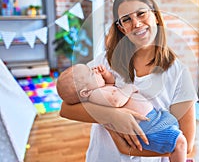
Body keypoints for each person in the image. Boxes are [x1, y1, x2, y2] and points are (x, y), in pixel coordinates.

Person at [59, 0, 198, 162]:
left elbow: (187, 144)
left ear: (155, 14)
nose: (136, 24)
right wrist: (112, 117)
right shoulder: (104, 62)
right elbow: (66, 109)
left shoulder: (178, 73)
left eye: (141, 14)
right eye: (127, 19)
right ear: (122, 28)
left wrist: (128, 148)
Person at [56, 63, 188, 162]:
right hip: (146, 126)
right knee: (179, 142)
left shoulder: (97, 89)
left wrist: (106, 75)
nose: (95, 70)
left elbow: (112, 86)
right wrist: (129, 88)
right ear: (84, 92)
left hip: (153, 120)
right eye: (92, 73)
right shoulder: (96, 93)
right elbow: (115, 100)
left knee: (178, 139)